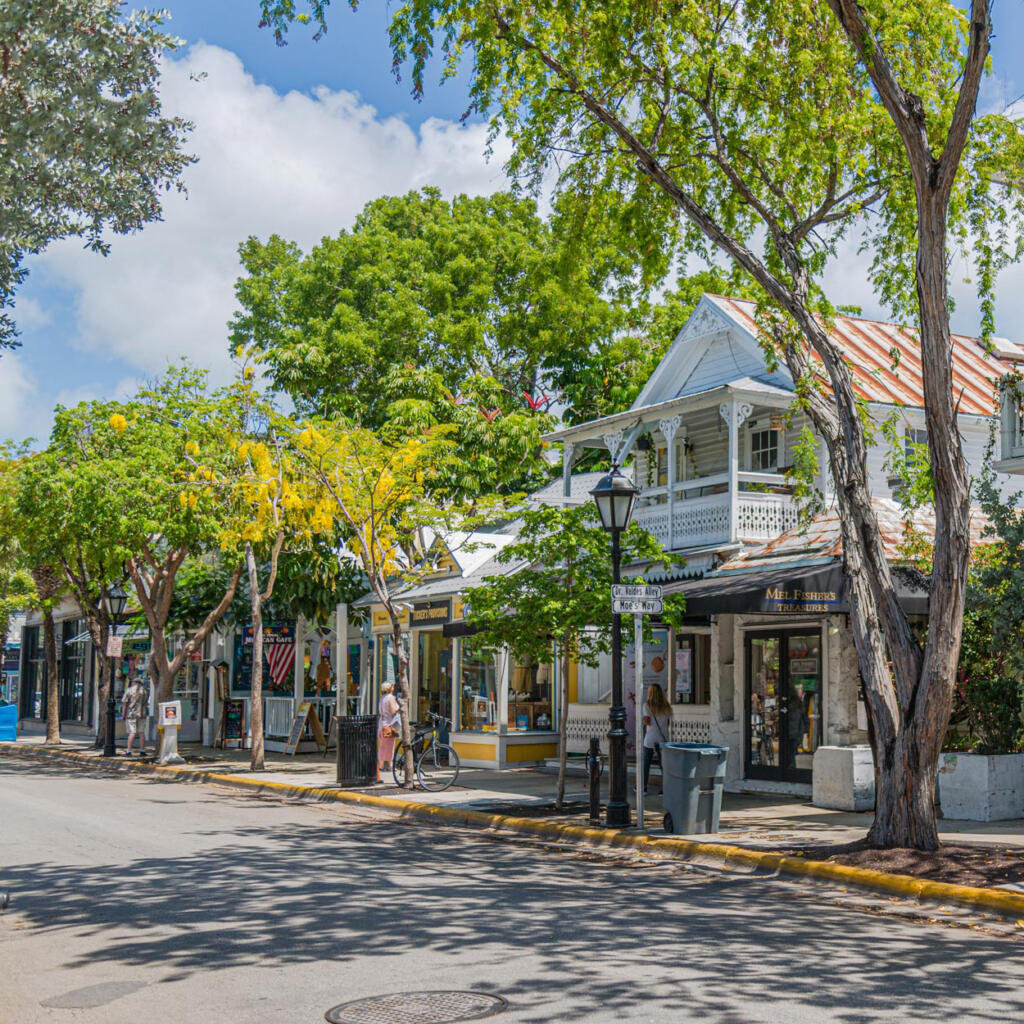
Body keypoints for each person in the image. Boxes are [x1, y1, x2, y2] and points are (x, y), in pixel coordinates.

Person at [642, 682, 672, 793]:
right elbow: (668, 723)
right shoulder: (667, 706)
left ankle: (643, 787)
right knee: (663, 764)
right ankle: (664, 788)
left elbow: (647, 721)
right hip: (663, 738)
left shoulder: (647, 705)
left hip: (650, 737)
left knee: (646, 763)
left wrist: (644, 721)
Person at [377, 681, 401, 779]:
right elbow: (392, 711)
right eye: (392, 686)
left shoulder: (382, 698)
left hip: (381, 724)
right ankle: (390, 766)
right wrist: (399, 707)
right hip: (389, 725)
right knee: (390, 746)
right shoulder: (391, 698)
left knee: (382, 746)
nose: (393, 688)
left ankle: (381, 765)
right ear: (390, 688)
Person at [121, 673, 148, 757]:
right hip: (142, 714)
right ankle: (142, 750)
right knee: (142, 732)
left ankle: (129, 751)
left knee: (132, 732)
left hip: (131, 714)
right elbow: (146, 703)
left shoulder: (129, 690)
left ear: (134, 682)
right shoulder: (144, 691)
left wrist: (123, 714)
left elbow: (125, 703)